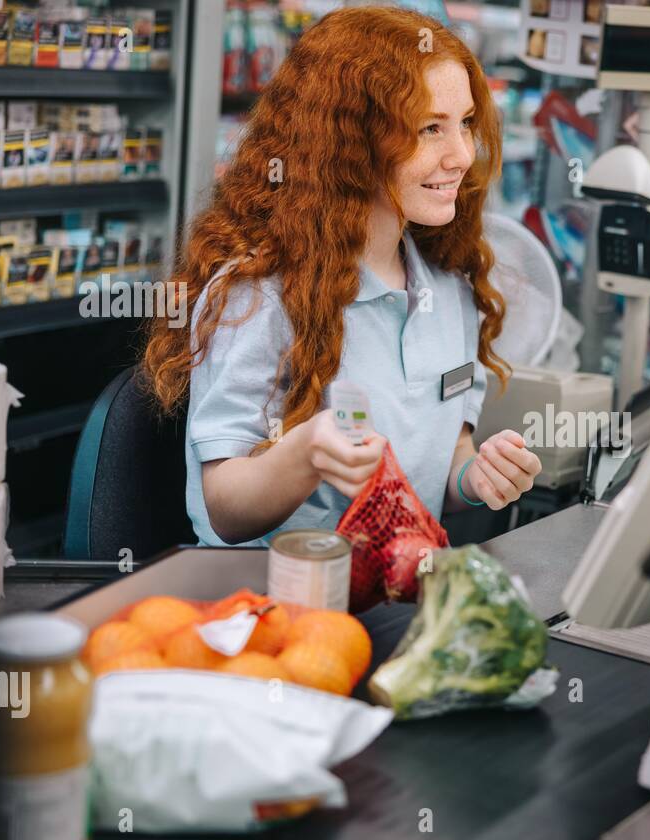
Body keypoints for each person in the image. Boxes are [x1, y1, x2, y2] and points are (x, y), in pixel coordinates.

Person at [143, 7, 541, 546]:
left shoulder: (450, 290)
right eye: (429, 129)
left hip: (394, 593)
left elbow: (447, 459)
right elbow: (224, 508)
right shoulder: (259, 295)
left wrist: (476, 478)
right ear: (349, 143)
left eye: (466, 123)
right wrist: (305, 454)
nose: (463, 155)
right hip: (281, 600)